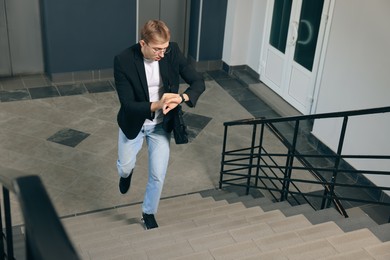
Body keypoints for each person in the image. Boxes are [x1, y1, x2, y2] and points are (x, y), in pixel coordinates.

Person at [113, 20, 205, 229]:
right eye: (157, 49)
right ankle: (126, 174)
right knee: (125, 166)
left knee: (158, 174)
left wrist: (181, 98)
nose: (162, 54)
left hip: (161, 125)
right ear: (142, 43)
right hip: (134, 123)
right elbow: (127, 105)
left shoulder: (171, 52)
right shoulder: (123, 60)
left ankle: (148, 212)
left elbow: (198, 82)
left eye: (165, 48)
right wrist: (159, 103)